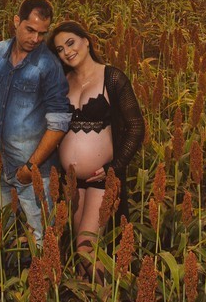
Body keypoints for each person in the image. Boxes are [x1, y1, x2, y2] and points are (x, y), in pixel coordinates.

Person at [47, 20, 145, 270]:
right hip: (71, 183)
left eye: (71, 43)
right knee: (80, 256)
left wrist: (116, 165)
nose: (67, 51)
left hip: (102, 180)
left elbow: (136, 127)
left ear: (86, 41)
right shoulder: (61, 83)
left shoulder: (112, 77)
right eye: (60, 49)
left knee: (86, 249)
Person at [0, 0, 71, 259]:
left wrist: (30, 168)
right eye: (30, 30)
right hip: (3, 166)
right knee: (3, 239)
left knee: (40, 244)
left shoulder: (49, 66)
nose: (35, 39)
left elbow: (59, 123)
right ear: (16, 22)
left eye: (42, 33)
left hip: (35, 174)